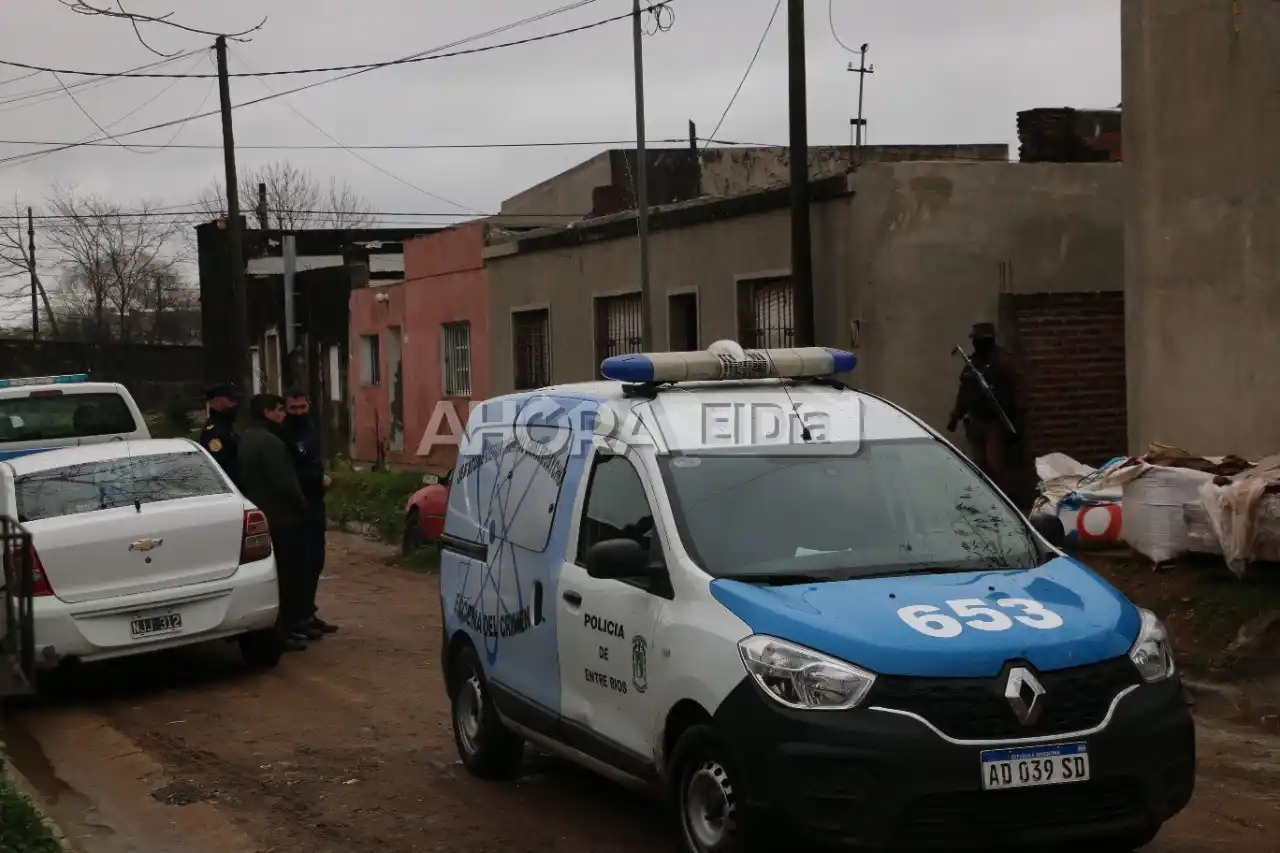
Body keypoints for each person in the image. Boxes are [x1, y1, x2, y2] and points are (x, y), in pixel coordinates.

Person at [237, 393, 321, 649]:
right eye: (280, 410)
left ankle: (290, 625)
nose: (285, 414)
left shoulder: (247, 437)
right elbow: (285, 484)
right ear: (268, 412)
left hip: (265, 516)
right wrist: (302, 506)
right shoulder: (271, 442)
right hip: (284, 519)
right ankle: (285, 630)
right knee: (289, 575)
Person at [946, 322, 1030, 508]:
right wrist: (955, 417)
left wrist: (1019, 415)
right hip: (977, 421)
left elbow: (1020, 388)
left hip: (996, 423)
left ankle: (1005, 504)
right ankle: (985, 502)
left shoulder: (1003, 361)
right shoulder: (972, 364)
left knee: (996, 465)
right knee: (980, 464)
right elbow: (964, 394)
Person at [284, 387, 337, 634]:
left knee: (316, 560)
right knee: (302, 564)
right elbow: (289, 474)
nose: (299, 412)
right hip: (298, 507)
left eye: (302, 407)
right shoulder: (285, 435)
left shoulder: (310, 429)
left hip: (315, 504)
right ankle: (297, 619)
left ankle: (308, 612)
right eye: (293, 408)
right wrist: (317, 480)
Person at [200, 382, 241, 486]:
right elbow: (219, 466)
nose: (234, 405)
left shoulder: (226, 426)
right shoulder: (214, 431)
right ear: (217, 401)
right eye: (230, 401)